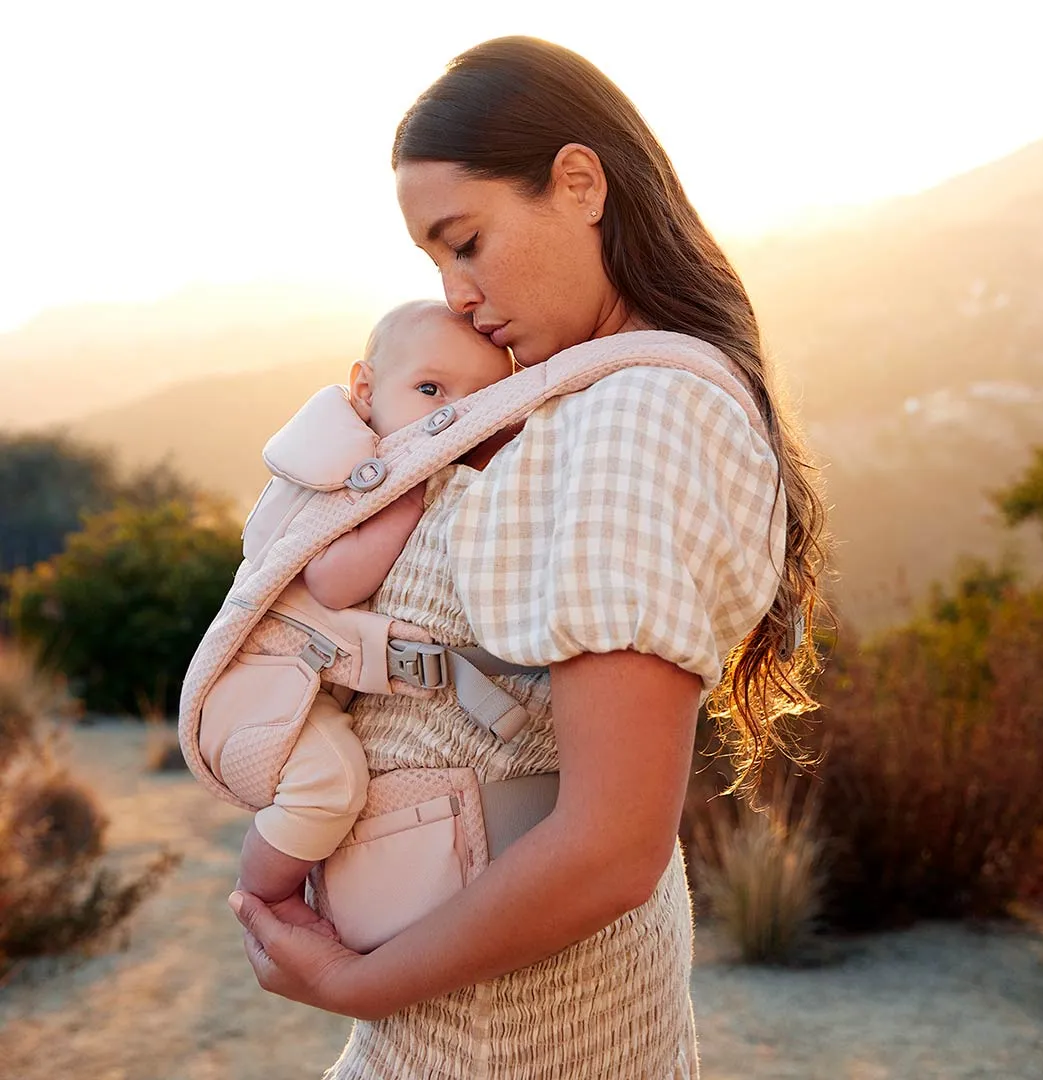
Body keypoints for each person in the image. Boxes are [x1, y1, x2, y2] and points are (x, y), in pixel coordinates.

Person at [227, 36, 826, 1079]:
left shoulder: (638, 416)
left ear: (580, 183)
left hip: (519, 1037)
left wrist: (352, 982)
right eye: (433, 261)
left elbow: (608, 847)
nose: (456, 294)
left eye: (466, 241)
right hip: (465, 1020)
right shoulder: (574, 406)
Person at [229, 299, 512, 923]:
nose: (452, 414)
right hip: (264, 681)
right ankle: (264, 902)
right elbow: (331, 583)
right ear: (365, 389)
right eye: (430, 388)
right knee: (325, 788)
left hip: (318, 681)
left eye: (483, 400)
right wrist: (407, 497)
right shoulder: (363, 476)